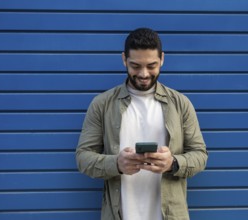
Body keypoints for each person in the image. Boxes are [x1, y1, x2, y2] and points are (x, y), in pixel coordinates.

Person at [76, 27, 208, 220]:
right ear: (124, 60)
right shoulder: (102, 104)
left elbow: (200, 155)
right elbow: (83, 158)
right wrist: (116, 164)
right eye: (135, 66)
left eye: (151, 65)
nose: (144, 74)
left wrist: (173, 163)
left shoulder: (180, 104)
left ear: (162, 59)